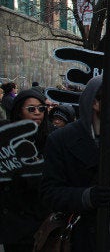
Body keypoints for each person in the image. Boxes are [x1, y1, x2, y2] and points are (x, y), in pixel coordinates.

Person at [40, 76, 110, 251]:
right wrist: (86, 197)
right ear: (95, 103)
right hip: (83, 238)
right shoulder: (61, 139)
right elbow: (49, 193)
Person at [0, 89, 50, 251]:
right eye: (31, 109)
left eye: (41, 109)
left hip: (41, 221)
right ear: (19, 112)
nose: (37, 113)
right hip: (14, 223)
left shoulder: (50, 139)